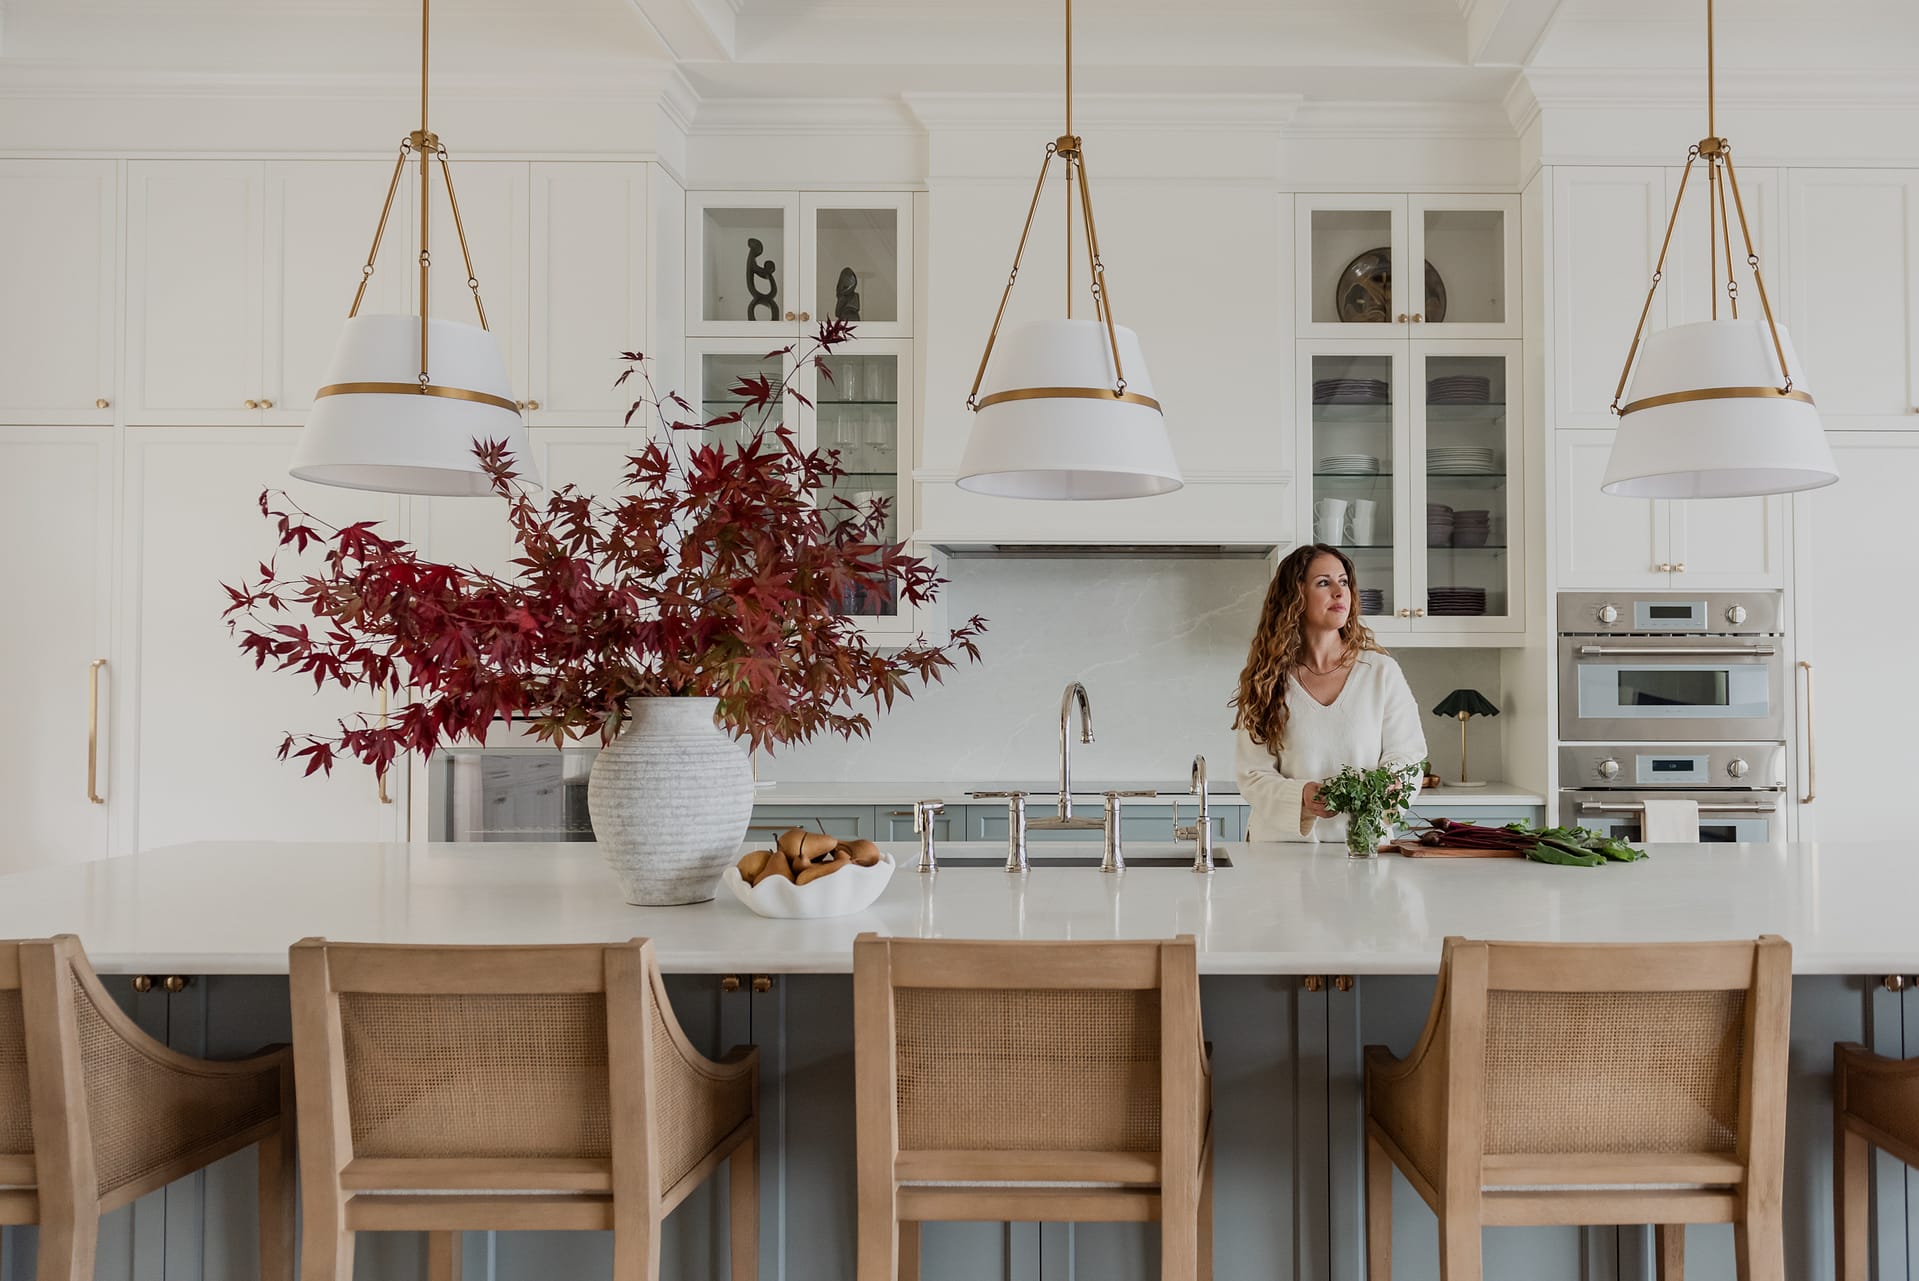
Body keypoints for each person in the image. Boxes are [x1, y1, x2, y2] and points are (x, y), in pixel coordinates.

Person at [1232, 543, 1426, 843]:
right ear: (1296, 596)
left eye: (1344, 582)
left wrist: (1392, 784)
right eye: (1324, 582)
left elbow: (1408, 756)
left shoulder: (1380, 672)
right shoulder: (1268, 680)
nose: (1340, 592)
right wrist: (1301, 796)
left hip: (1362, 851)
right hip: (1282, 854)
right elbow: (1253, 775)